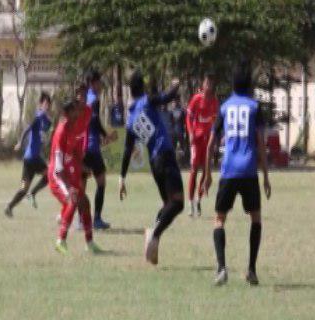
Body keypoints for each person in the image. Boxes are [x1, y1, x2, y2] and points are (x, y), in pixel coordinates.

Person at [204, 62, 272, 287]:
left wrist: (207, 174)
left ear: (232, 85)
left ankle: (222, 268)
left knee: (219, 220)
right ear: (249, 85)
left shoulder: (224, 108)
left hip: (229, 170)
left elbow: (211, 143)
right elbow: (261, 144)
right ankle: (251, 270)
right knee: (256, 218)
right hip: (249, 171)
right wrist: (266, 176)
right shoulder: (254, 107)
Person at [119, 72, 182, 265]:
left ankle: (153, 238)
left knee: (167, 204)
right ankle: (154, 234)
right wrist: (176, 84)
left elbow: (127, 150)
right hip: (165, 155)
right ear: (142, 87)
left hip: (154, 163)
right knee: (178, 203)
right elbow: (168, 97)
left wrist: (122, 178)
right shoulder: (148, 101)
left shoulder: (130, 120)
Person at [48, 99, 102, 254]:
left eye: (77, 111)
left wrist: (82, 167)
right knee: (74, 199)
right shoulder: (60, 132)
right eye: (73, 111)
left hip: (67, 174)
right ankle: (61, 240)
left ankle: (90, 243)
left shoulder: (73, 129)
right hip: (57, 176)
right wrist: (70, 186)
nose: (77, 113)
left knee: (84, 202)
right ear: (66, 114)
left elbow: (71, 156)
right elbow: (58, 167)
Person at [5, 92, 53, 217]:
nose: (47, 106)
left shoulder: (44, 118)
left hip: (30, 159)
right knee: (49, 175)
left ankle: (9, 207)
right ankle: (32, 194)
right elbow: (28, 129)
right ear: (40, 104)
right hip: (32, 158)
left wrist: (49, 121)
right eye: (45, 103)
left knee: (23, 188)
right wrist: (20, 142)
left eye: (49, 104)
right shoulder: (39, 116)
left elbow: (47, 128)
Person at [83, 70, 117, 230]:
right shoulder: (94, 100)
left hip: (83, 147)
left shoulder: (84, 98)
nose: (101, 85)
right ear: (93, 83)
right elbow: (94, 120)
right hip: (92, 147)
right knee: (101, 182)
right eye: (99, 82)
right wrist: (105, 135)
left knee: (81, 185)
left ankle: (80, 220)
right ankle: (96, 219)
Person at [186, 73, 220, 217]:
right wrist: (190, 132)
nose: (208, 86)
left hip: (208, 141)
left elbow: (217, 121)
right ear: (203, 84)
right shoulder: (196, 99)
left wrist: (217, 138)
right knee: (194, 170)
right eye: (206, 83)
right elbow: (189, 116)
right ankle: (190, 203)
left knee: (206, 172)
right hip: (197, 140)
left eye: (210, 84)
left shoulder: (215, 102)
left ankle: (199, 200)